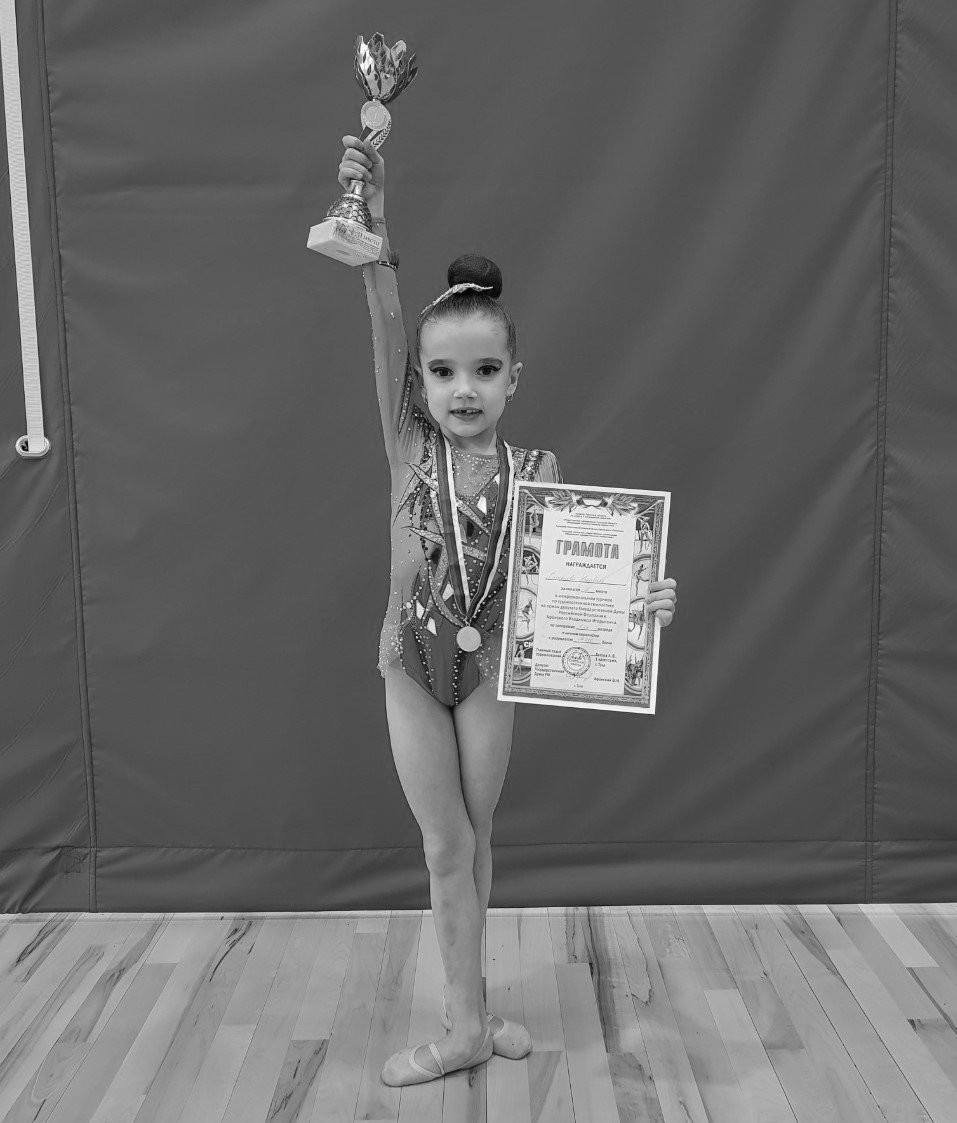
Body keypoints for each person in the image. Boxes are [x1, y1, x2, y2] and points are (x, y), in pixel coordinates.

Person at [337, 134, 678, 1087]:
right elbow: (382, 318)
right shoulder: (408, 446)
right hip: (412, 664)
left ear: (513, 377)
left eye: (485, 370)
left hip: (490, 672)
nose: (464, 389)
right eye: (443, 372)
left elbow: (566, 585)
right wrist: (373, 218)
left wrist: (638, 601)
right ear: (419, 382)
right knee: (444, 844)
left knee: (478, 842)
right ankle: (461, 1028)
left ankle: (472, 1016)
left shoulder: (540, 470)